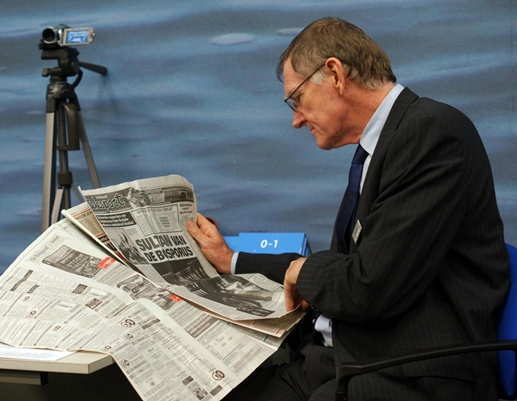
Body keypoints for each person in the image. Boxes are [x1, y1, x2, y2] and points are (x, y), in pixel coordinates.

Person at [187, 17, 510, 401]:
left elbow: (369, 287)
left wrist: (304, 271)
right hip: (341, 362)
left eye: (297, 99)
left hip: (408, 375)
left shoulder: (431, 134)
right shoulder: (382, 146)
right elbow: (347, 268)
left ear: (336, 74)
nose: (296, 119)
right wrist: (231, 260)